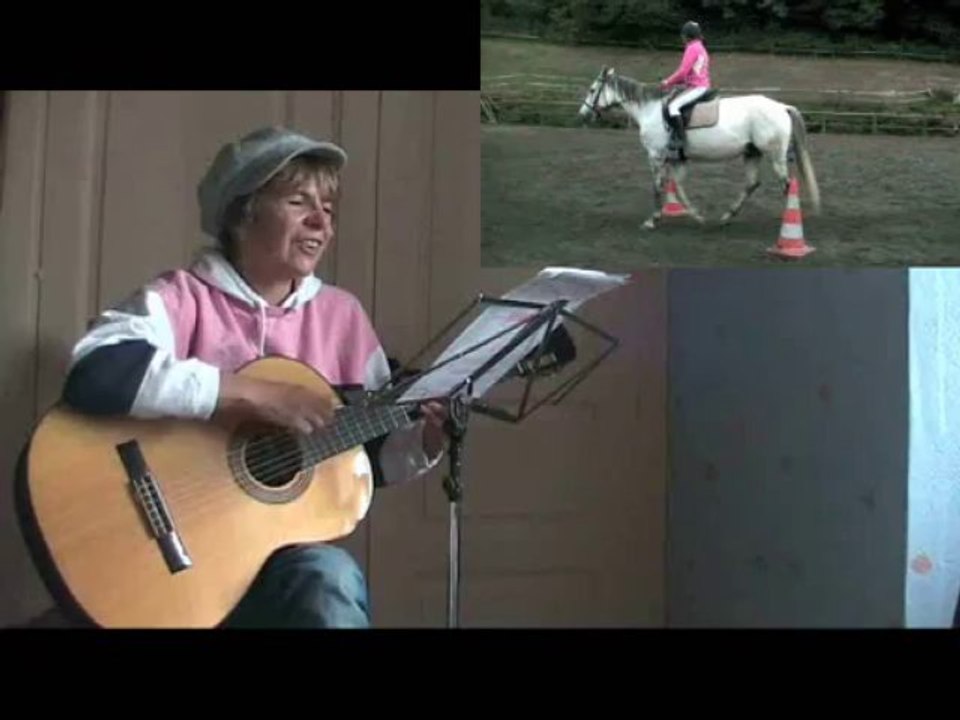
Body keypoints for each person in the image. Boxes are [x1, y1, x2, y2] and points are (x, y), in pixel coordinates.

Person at [60, 126, 449, 628]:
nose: (320, 223)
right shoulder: (184, 297)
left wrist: (425, 438)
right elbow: (95, 372)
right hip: (167, 558)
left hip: (281, 562)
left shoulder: (341, 316)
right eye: (298, 202)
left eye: (328, 209)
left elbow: (366, 459)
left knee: (331, 578)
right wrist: (246, 393)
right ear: (244, 212)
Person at [660, 20, 712, 158]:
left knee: (672, 106)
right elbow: (690, 73)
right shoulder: (700, 47)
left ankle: (680, 139)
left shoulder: (692, 48)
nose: (682, 38)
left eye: (683, 35)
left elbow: (683, 72)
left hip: (697, 87)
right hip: (699, 85)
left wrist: (667, 82)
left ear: (687, 36)